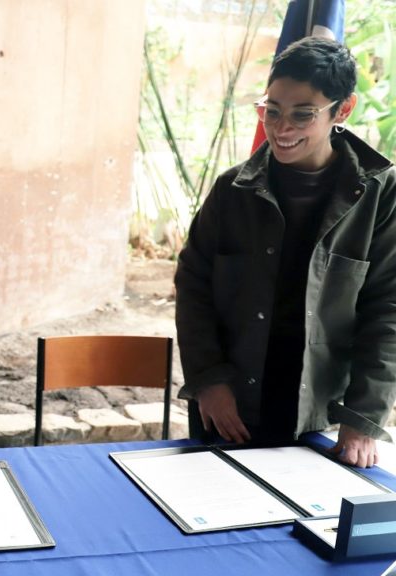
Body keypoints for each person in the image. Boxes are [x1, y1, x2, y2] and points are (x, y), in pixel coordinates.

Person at [175, 37, 396, 468]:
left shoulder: (381, 197)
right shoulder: (231, 190)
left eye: (302, 114)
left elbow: (387, 309)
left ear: (342, 111)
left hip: (320, 417)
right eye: (272, 110)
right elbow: (193, 285)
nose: (281, 128)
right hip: (230, 405)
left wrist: (363, 417)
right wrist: (208, 381)